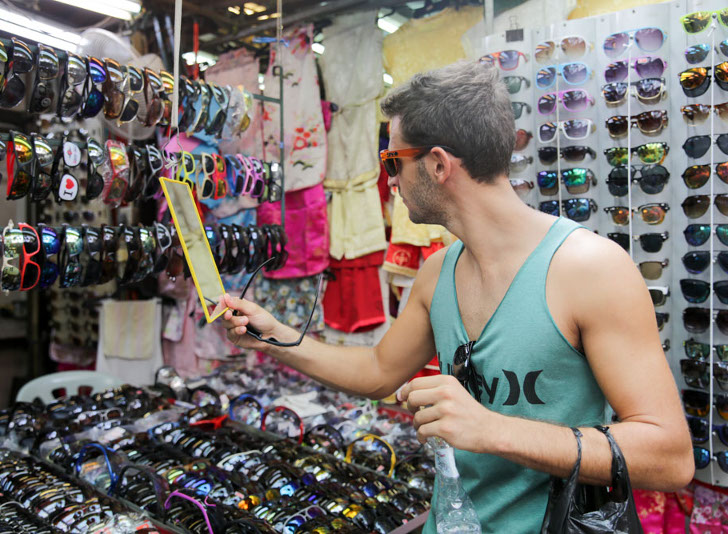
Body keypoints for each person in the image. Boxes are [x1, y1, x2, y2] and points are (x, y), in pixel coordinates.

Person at [216, 60, 693, 534]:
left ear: (439, 164)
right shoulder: (436, 273)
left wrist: (492, 429)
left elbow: (669, 457)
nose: (391, 181)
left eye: (393, 162)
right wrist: (273, 338)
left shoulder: (590, 269)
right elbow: (378, 371)